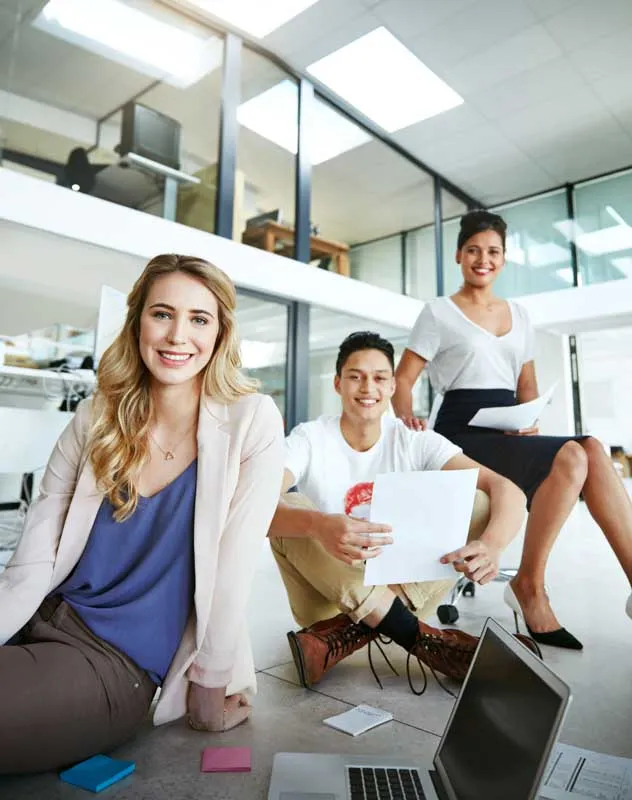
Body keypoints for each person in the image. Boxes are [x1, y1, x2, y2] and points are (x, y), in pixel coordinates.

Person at [0, 254, 284, 774]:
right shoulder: (96, 416)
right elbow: (34, 553)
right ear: (137, 323)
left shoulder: (252, 421)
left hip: (111, 663)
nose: (178, 335)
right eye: (162, 314)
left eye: (199, 319)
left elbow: (233, 568)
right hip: (39, 618)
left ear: (220, 332)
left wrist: (209, 685)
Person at [392, 210, 632, 650]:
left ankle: (545, 582)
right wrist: (407, 417)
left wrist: (529, 420)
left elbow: (526, 385)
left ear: (504, 259)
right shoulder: (438, 313)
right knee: (578, 453)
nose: (484, 259)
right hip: (461, 432)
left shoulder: (520, 315)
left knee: (589, 450)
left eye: (493, 252)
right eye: (474, 251)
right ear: (460, 256)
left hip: (508, 429)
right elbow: (403, 379)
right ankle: (530, 587)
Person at [268, 331, 533, 692]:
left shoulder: (414, 440)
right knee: (287, 507)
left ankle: (343, 636)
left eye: (379, 377)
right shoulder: (309, 438)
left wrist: (493, 544)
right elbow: (254, 502)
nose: (367, 387)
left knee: (481, 500)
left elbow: (507, 491)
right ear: (337, 383)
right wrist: (317, 525)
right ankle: (426, 642)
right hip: (327, 599)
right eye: (355, 376)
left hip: (405, 591)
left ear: (393, 386)